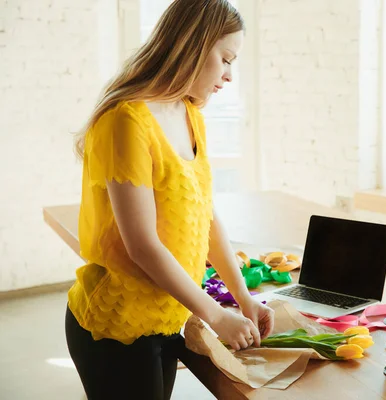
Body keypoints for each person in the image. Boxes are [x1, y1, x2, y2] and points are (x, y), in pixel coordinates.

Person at [65, 1, 275, 398]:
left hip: (166, 319)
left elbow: (205, 217)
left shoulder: (190, 114)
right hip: (117, 327)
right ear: (192, 45)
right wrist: (214, 314)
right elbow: (142, 245)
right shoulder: (125, 121)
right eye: (226, 59)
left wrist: (245, 300)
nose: (230, 75)